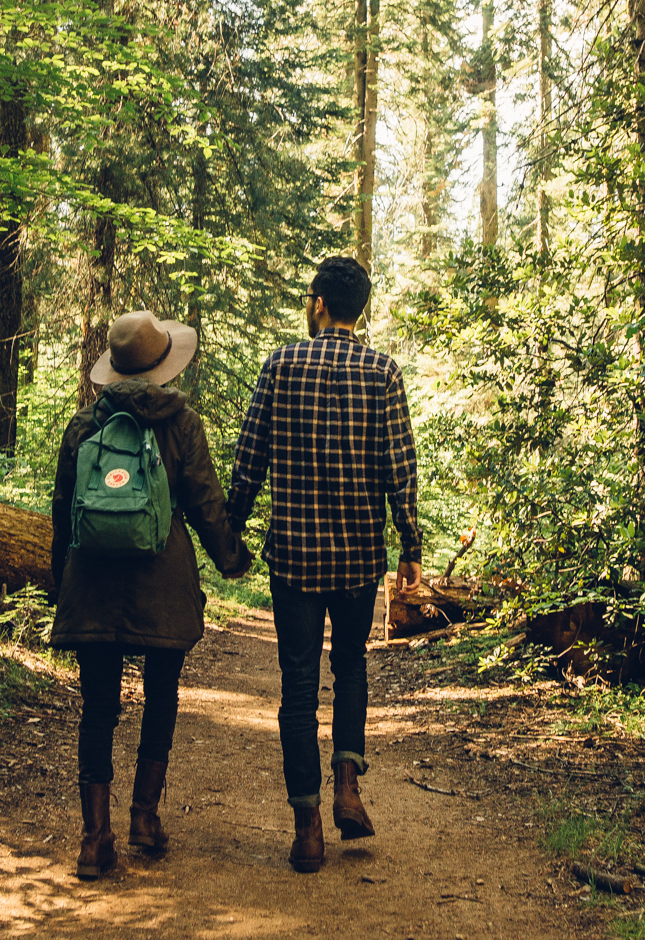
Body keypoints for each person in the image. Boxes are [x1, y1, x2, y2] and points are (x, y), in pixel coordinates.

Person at [228, 256, 423, 873]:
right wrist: (410, 547)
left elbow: (250, 457)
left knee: (297, 687)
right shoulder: (382, 372)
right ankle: (348, 784)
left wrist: (228, 527)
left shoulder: (281, 366)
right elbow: (401, 469)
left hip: (294, 556)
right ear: (360, 308)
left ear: (318, 302)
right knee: (351, 668)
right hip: (359, 556)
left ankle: (308, 824)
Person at [49, 309, 251, 881]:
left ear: (114, 369)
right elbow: (207, 503)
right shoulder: (181, 422)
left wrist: (59, 579)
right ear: (163, 365)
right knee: (161, 696)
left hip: (91, 584)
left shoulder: (83, 425)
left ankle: (94, 839)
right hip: (163, 584)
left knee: (97, 709)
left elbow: (63, 511)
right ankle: (143, 817)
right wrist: (232, 559)